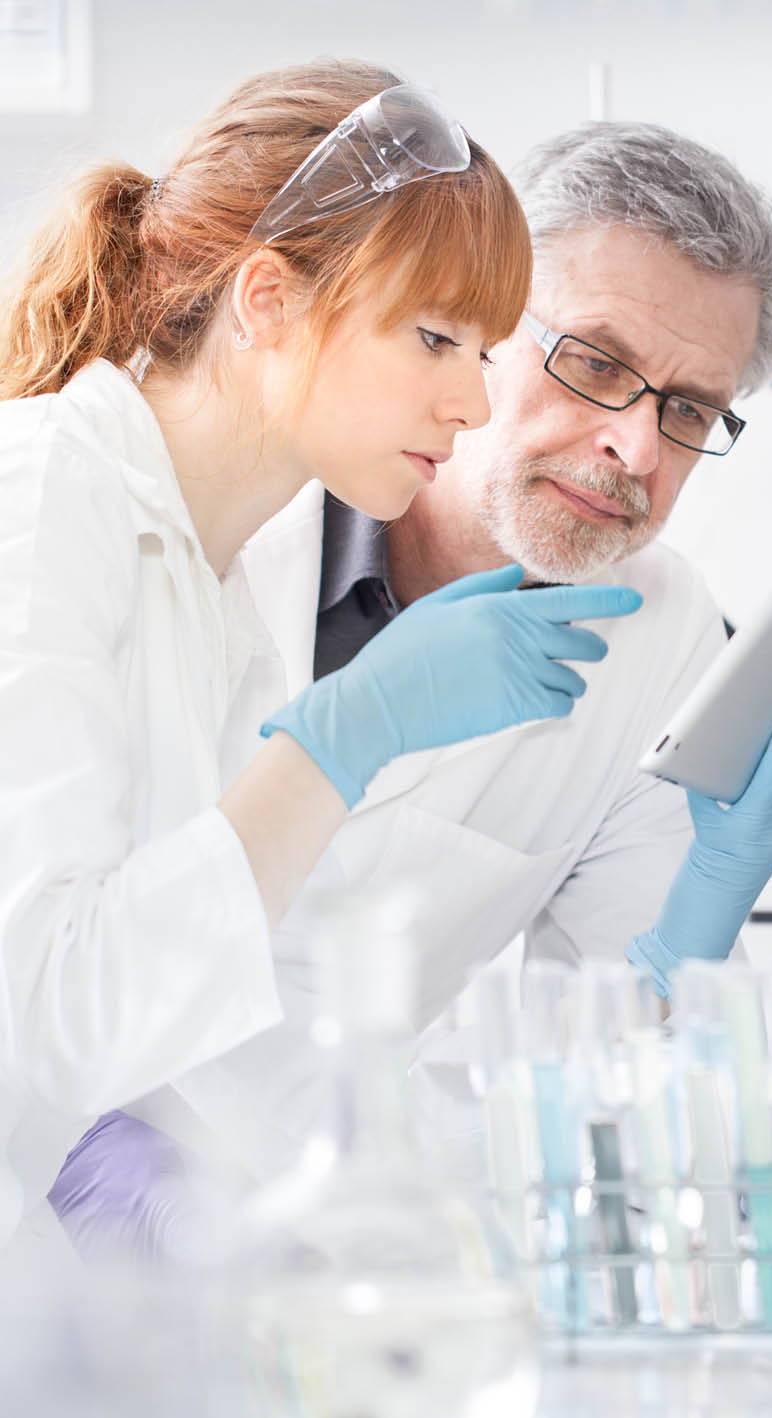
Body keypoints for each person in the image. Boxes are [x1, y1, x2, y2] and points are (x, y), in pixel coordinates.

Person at [48, 119, 772, 1259]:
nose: (636, 449)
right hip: (73, 1177)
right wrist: (84, 1141)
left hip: (351, 1233)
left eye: (687, 409)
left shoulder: (661, 631)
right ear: (480, 324)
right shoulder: (229, 515)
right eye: (594, 362)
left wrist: (691, 932)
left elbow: (598, 1087)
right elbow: (45, 938)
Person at [0, 60, 643, 1251]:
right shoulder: (39, 497)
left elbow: (176, 1017)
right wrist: (346, 733)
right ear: (267, 300)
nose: (470, 403)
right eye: (435, 337)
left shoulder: (218, 594)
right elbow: (53, 1009)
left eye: (484, 351)